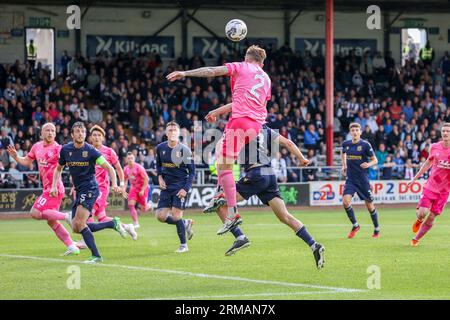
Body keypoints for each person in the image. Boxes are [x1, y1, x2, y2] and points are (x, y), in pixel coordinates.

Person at [167, 45, 271, 235]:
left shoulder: (241, 66)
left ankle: (232, 213)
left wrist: (185, 73)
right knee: (225, 163)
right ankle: (218, 197)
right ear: (261, 63)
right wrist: (217, 111)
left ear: (247, 58)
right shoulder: (266, 78)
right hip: (256, 126)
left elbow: (212, 71)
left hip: (239, 121)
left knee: (222, 165)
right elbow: (249, 102)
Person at [204, 119, 325, 268]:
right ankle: (314, 245)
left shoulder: (241, 127)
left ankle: (240, 237)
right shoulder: (266, 130)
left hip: (255, 174)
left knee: (219, 204)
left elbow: (226, 153)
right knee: (285, 217)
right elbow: (289, 143)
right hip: (269, 175)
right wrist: (302, 158)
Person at [51, 122, 126, 264]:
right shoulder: (66, 150)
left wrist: (115, 184)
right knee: (75, 227)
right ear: (72, 134)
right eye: (77, 131)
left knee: (80, 222)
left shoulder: (91, 150)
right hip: (80, 190)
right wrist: (54, 186)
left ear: (85, 135)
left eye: (83, 131)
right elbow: (58, 169)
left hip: (91, 189)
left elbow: (110, 168)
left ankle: (96, 255)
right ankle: (112, 224)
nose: (80, 134)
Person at [6, 123, 79, 256]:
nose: (50, 132)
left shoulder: (58, 148)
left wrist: (54, 186)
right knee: (52, 221)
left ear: (55, 134)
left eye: (52, 130)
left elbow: (63, 167)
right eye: (47, 130)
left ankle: (67, 216)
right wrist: (16, 157)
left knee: (35, 212)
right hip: (48, 188)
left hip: (55, 188)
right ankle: (72, 246)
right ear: (41, 133)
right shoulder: (37, 147)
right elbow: (26, 161)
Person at [76, 125, 137, 250]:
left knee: (87, 212)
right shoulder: (86, 150)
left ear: (103, 138)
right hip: (87, 187)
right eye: (94, 135)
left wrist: (120, 185)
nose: (97, 137)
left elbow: (119, 169)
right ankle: (127, 226)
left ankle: (85, 240)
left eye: (99, 135)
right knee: (102, 217)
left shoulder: (109, 151)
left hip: (101, 189)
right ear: (90, 138)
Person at [155, 121, 195, 253]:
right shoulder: (160, 148)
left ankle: (184, 245)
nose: (172, 132)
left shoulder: (185, 150)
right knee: (160, 216)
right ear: (166, 133)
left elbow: (192, 172)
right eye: (170, 130)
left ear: (179, 133)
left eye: (174, 130)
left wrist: (185, 189)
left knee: (176, 215)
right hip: (167, 187)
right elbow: (158, 165)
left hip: (180, 186)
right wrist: (160, 177)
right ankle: (185, 224)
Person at [409, 123, 450, 246]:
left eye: (448, 131)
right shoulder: (435, 147)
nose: (445, 133)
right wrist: (415, 178)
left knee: (432, 217)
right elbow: (427, 163)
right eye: (443, 131)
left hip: (444, 190)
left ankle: (416, 239)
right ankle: (419, 219)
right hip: (431, 186)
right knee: (422, 213)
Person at [341, 123, 380, 239]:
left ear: (360, 132)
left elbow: (375, 160)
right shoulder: (346, 144)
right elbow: (343, 152)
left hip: (362, 180)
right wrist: (344, 165)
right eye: (352, 130)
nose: (355, 132)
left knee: (369, 205)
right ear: (350, 132)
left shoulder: (365, 145)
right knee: (345, 201)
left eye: (357, 130)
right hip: (351, 179)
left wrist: (368, 164)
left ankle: (377, 228)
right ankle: (355, 225)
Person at [124, 152, 152, 228]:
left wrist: (142, 190)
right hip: (133, 188)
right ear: (126, 159)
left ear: (134, 158)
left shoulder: (139, 167)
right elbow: (125, 179)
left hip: (143, 187)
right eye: (129, 158)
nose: (130, 160)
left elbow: (146, 179)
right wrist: (123, 189)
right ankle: (136, 223)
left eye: (131, 158)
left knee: (143, 209)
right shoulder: (126, 168)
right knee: (130, 205)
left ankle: (149, 205)